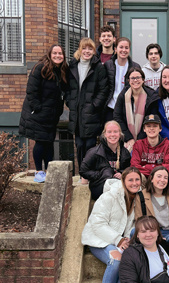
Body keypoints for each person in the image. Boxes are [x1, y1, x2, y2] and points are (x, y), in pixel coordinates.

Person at [81, 166, 142, 283]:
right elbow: (97, 223)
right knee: (116, 261)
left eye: (137, 180)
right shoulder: (109, 197)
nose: (134, 183)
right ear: (123, 181)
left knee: (128, 263)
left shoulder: (140, 199)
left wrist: (128, 238)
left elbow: (136, 224)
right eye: (130, 180)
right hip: (99, 240)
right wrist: (118, 239)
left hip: (122, 242)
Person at [19, 44, 68, 183]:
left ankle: (49, 170)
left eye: (60, 53)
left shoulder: (61, 71)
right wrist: (37, 108)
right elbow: (31, 91)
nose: (58, 55)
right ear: (50, 54)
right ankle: (39, 172)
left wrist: (58, 110)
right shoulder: (40, 68)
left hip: (52, 115)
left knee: (49, 142)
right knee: (40, 142)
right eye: (55, 53)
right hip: (38, 114)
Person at [66, 38, 108, 179]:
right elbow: (67, 89)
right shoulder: (72, 66)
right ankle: (81, 173)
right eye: (84, 48)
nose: (87, 51)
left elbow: (104, 90)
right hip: (77, 113)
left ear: (94, 51)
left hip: (92, 113)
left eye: (90, 49)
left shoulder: (98, 67)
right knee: (79, 144)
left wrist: (95, 105)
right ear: (79, 49)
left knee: (90, 144)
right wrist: (70, 103)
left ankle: (87, 174)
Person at [135, 166, 169, 257]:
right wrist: (157, 237)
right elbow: (139, 220)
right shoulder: (141, 196)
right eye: (159, 176)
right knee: (134, 232)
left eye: (165, 178)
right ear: (151, 178)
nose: (162, 180)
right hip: (151, 232)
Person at [79, 120, 131, 200]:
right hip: (99, 185)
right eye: (109, 132)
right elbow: (83, 171)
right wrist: (101, 174)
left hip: (118, 184)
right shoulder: (94, 152)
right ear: (104, 134)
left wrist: (122, 174)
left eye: (115, 132)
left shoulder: (125, 153)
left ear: (120, 134)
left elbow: (129, 169)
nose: (112, 134)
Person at [113, 67, 159, 152]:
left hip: (146, 137)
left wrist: (139, 140)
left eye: (138, 78)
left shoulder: (151, 97)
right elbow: (117, 117)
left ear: (143, 80)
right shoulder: (123, 95)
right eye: (132, 78)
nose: (135, 80)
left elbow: (151, 120)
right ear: (128, 81)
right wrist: (129, 138)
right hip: (127, 139)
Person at [104, 37, 140, 123]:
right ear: (115, 49)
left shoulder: (135, 67)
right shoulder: (107, 65)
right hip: (110, 107)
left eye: (126, 48)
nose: (124, 50)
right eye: (121, 47)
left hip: (127, 108)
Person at [130, 114, 169, 180]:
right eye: (148, 126)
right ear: (144, 129)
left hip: (161, 178)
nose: (151, 128)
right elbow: (134, 167)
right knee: (138, 176)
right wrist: (157, 169)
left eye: (155, 126)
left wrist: (147, 167)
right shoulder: (138, 144)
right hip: (144, 177)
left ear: (160, 129)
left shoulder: (168, 145)